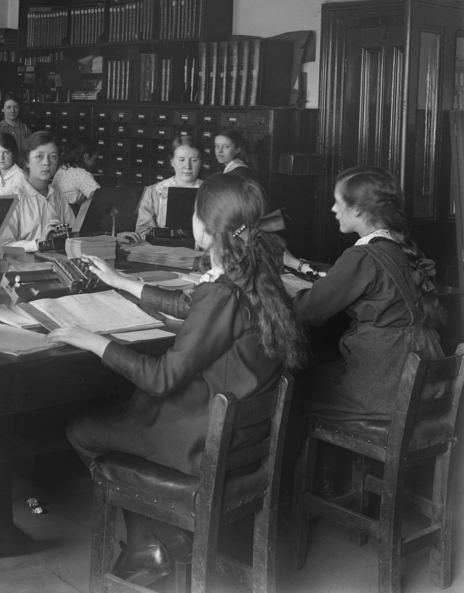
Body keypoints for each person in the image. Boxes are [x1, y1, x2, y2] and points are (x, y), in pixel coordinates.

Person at [48, 174, 307, 584]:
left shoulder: (223, 292)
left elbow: (162, 376)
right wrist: (123, 283)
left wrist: (95, 342)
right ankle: (147, 546)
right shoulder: (254, 272)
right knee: (123, 417)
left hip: (198, 442)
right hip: (238, 436)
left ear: (204, 226)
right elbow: (194, 305)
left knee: (81, 429)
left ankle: (163, 539)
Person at [284, 165, 444, 436]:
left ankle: (320, 479)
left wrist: (281, 286)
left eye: (338, 202)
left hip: (387, 387)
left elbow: (307, 312)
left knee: (292, 390)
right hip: (421, 382)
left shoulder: (362, 256)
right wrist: (296, 264)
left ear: (357, 209)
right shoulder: (400, 246)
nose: (334, 210)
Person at [0, 131, 72, 252]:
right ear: (27, 161)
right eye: (39, 156)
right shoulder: (13, 198)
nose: (47, 163)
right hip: (20, 266)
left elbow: (72, 237)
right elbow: (2, 245)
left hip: (54, 263)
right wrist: (38, 244)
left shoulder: (59, 199)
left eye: (53, 156)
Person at [123, 135, 203, 243]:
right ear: (172, 162)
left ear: (201, 162)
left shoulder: (213, 192)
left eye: (194, 160)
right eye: (181, 160)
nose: (187, 166)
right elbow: (143, 230)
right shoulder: (154, 191)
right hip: (161, 252)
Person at [52, 136, 101, 205]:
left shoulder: (63, 168)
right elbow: (100, 197)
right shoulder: (82, 174)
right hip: (69, 213)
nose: (95, 163)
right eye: (94, 159)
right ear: (86, 156)